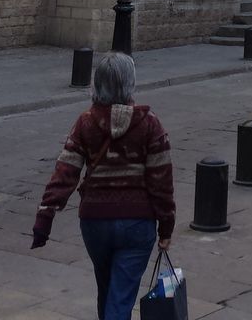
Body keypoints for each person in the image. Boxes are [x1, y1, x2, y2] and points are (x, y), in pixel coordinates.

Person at [31, 52, 175, 320]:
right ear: (130, 83)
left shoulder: (85, 122)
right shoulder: (150, 124)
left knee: (107, 289)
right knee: (120, 299)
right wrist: (166, 225)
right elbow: (161, 182)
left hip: (95, 222)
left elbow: (66, 170)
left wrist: (45, 215)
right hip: (137, 223)